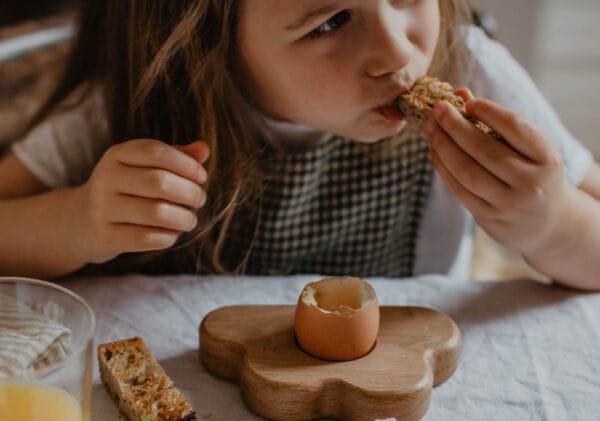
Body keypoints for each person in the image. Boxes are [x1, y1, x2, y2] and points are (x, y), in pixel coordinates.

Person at [0, 0, 599, 289]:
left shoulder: (476, 73)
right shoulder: (139, 102)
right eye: (332, 22)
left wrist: (551, 226)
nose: (397, 51)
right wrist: (75, 221)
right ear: (214, 38)